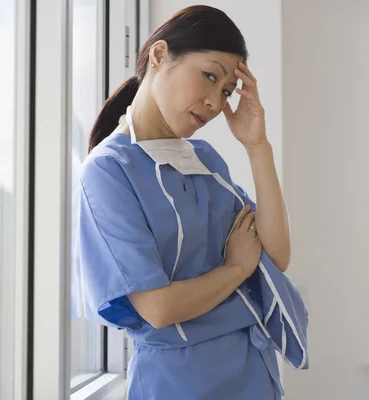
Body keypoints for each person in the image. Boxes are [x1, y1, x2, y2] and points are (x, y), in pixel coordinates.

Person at [73, 5, 308, 399]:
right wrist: (235, 269)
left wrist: (257, 146)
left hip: (253, 374)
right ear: (160, 55)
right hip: (179, 383)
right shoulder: (108, 171)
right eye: (210, 76)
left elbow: (275, 256)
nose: (215, 104)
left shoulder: (203, 160)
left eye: (227, 92)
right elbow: (157, 308)